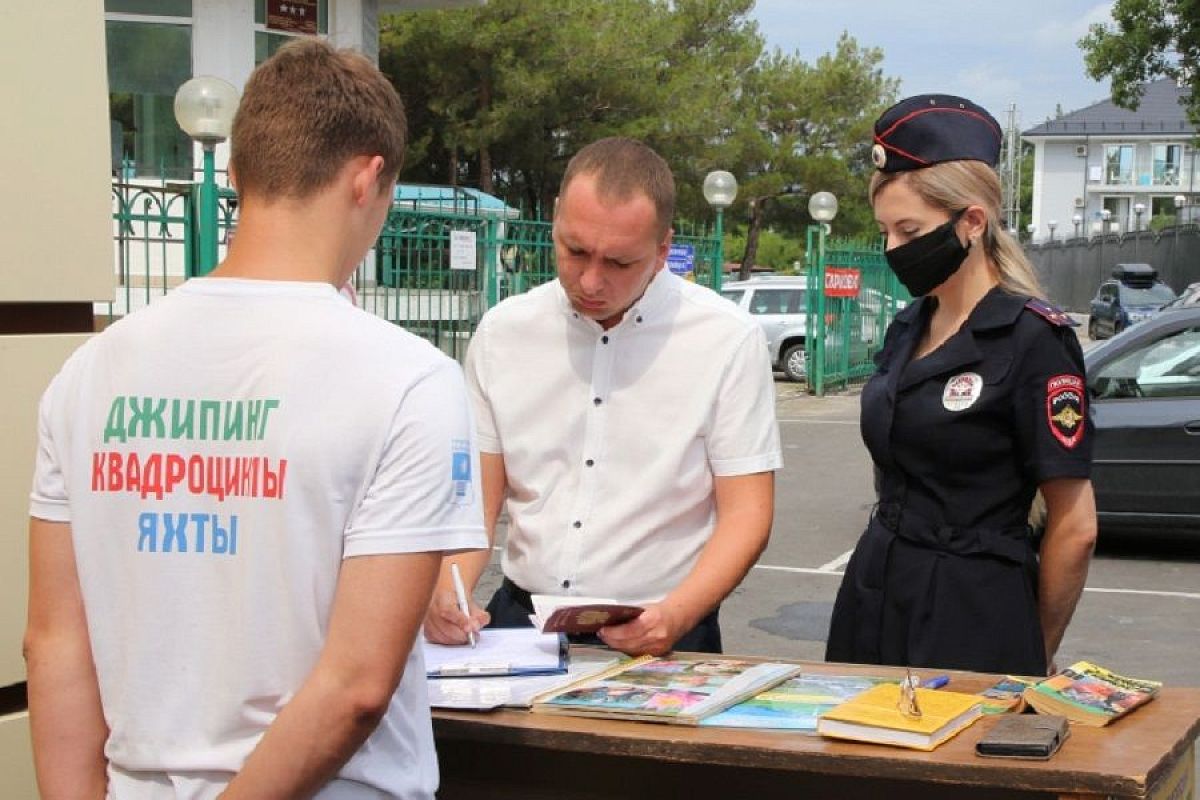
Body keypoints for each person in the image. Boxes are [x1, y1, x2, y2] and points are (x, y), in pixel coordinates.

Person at [24, 39, 486, 799]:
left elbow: (53, 643)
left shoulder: (90, 373)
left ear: (236, 175)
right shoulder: (409, 382)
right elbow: (356, 689)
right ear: (370, 178)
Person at [422, 137, 782, 656]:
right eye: (575, 251)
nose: (591, 280)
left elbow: (747, 513)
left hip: (665, 628)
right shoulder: (503, 333)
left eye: (619, 262)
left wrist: (676, 615)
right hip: (521, 627)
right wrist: (447, 590)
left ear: (663, 250)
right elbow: (477, 498)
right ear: (554, 218)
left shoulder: (726, 339)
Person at [825, 94, 1098, 676]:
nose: (894, 250)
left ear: (972, 222)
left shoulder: (1033, 339)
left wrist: (1032, 649)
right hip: (874, 593)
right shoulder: (908, 327)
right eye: (884, 231)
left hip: (974, 612)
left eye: (909, 230)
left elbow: (1075, 527)